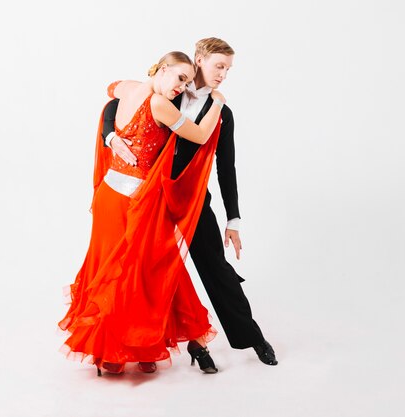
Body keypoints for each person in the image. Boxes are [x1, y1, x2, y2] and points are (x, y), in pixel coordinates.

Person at [102, 38, 278, 367]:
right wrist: (111, 136)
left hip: (190, 198)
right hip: (148, 195)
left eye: (228, 69)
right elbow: (116, 103)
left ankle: (253, 339)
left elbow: (227, 167)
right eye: (218, 66)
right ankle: (191, 345)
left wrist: (233, 219)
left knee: (217, 268)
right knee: (147, 273)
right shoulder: (171, 88)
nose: (223, 74)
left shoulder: (221, 112)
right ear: (199, 60)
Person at [58, 51, 227, 376]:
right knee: (143, 274)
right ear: (163, 69)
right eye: (179, 78)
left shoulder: (130, 87)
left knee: (122, 271)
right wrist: (217, 101)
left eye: (187, 83)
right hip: (136, 202)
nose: (181, 88)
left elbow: (111, 89)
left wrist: (110, 132)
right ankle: (125, 348)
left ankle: (133, 348)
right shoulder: (158, 103)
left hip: (110, 195)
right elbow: (201, 135)